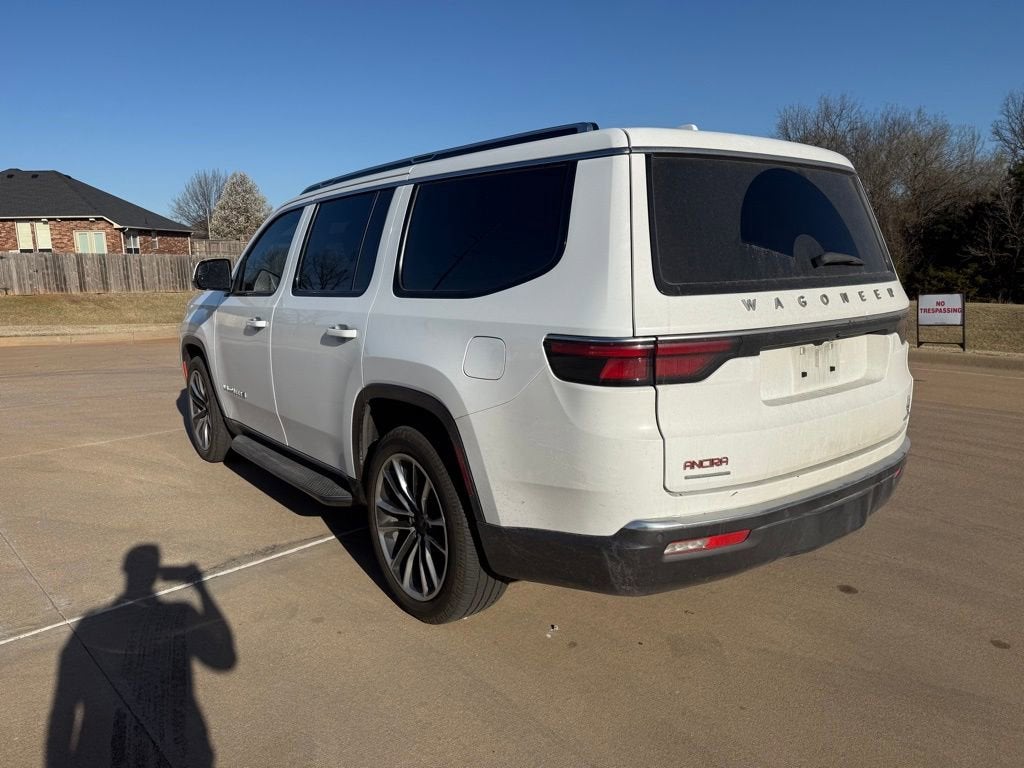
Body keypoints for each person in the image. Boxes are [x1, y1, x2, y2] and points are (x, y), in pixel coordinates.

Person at [47, 544, 236, 767]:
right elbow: (223, 659)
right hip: (178, 741)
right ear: (156, 573)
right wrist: (201, 589)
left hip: (113, 748)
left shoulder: (92, 623)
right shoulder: (180, 613)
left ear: (125, 569)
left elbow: (64, 705)